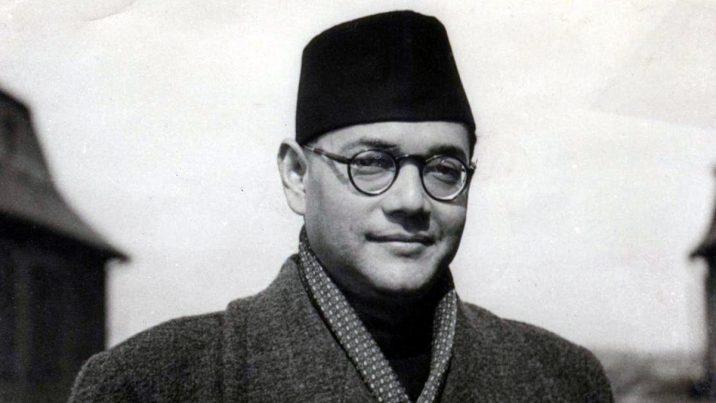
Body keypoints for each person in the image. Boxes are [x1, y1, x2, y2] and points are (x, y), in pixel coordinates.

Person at [70, 10, 613, 402]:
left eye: (444, 169)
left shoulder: (561, 382)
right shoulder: (154, 384)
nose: (411, 200)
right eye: (371, 163)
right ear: (296, 176)